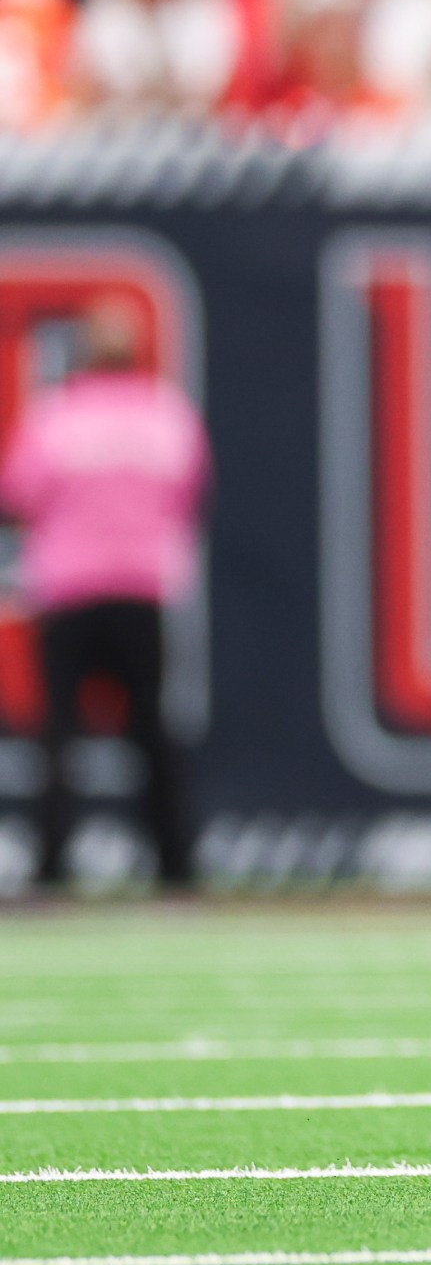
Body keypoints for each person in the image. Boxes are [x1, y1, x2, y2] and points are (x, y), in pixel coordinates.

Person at [0, 298, 209, 894]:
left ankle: (51, 870)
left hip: (69, 591)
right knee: (151, 732)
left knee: (60, 733)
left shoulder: (57, 417)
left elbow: (17, 496)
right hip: (141, 590)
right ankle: (176, 868)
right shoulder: (166, 416)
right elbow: (189, 496)